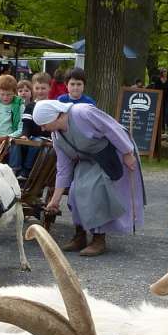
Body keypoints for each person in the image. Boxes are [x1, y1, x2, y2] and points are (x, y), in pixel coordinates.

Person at [31, 98, 143, 257]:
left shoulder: (82, 113)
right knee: (76, 191)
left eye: (44, 124)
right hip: (88, 160)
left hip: (110, 155)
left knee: (95, 189)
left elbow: (112, 129)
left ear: (57, 116)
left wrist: (127, 152)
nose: (43, 129)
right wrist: (55, 200)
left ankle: (99, 238)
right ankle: (80, 235)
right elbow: (63, 169)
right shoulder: (57, 137)